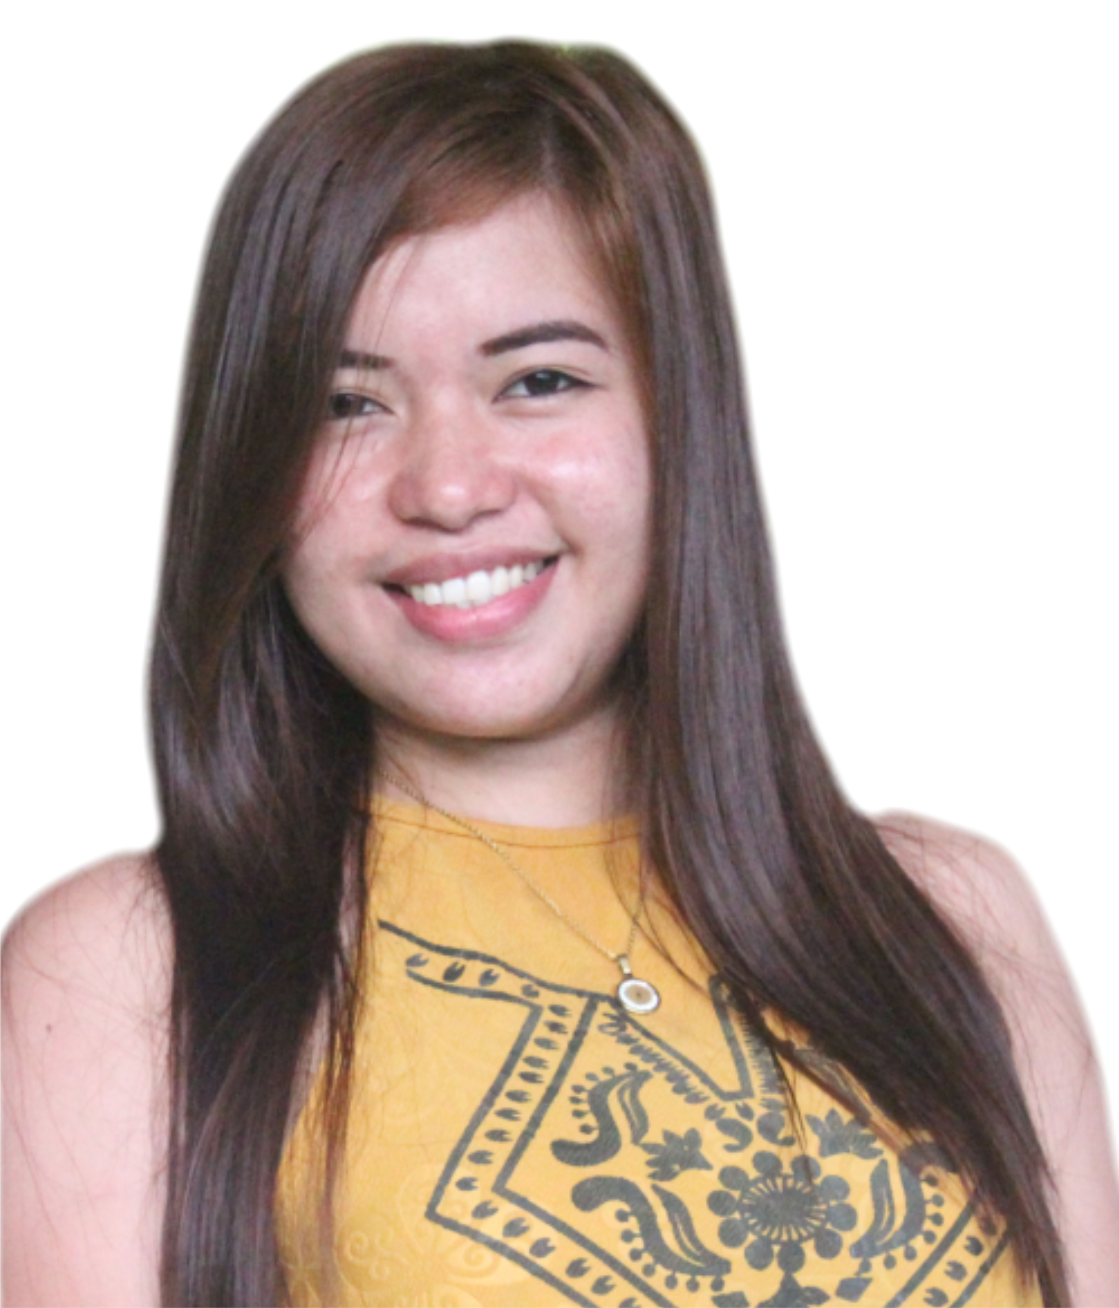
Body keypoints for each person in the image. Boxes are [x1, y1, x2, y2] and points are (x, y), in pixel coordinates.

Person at [3, 40, 1117, 1308]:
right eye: (346, 404)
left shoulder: (951, 920)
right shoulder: (129, 974)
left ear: (676, 417)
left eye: (539, 381)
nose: (448, 487)